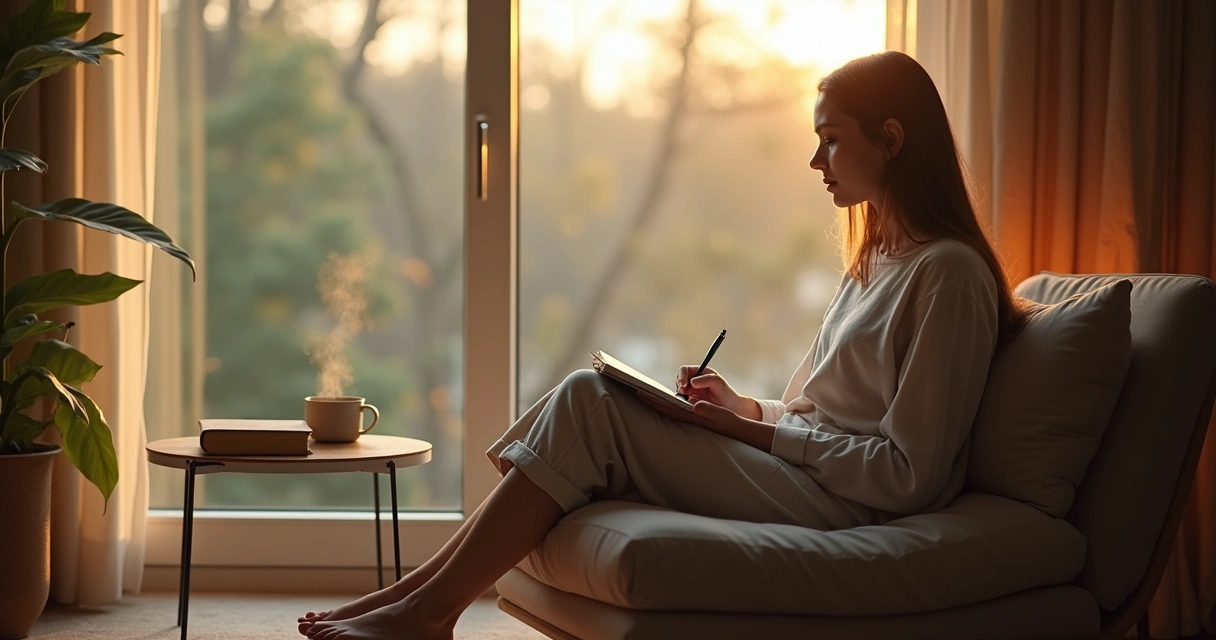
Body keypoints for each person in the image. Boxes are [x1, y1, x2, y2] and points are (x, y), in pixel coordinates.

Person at [298, 50, 1029, 640]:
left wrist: (747, 432)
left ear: (892, 139)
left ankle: (424, 610)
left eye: (832, 138)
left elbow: (911, 476)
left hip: (850, 506)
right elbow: (819, 412)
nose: (817, 160)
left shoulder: (948, 275)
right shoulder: (876, 263)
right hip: (810, 474)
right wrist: (740, 405)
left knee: (590, 400)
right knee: (596, 394)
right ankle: (414, 599)